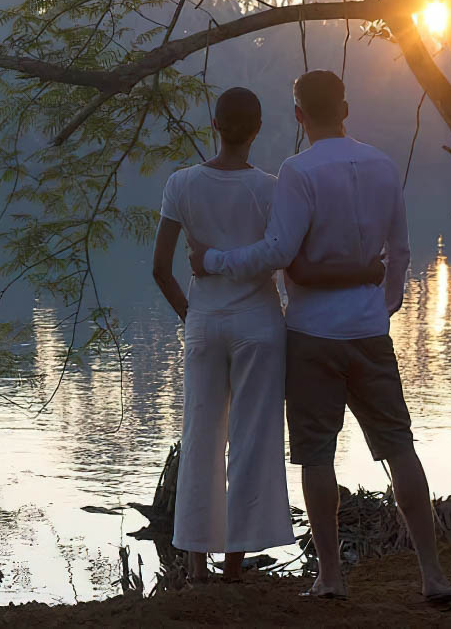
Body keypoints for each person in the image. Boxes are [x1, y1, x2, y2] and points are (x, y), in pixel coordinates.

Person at [190, 70, 451, 607]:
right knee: (399, 447)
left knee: (316, 455)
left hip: (312, 334)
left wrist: (213, 261)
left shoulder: (297, 170)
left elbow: (277, 252)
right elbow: (401, 253)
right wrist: (380, 302)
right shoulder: (383, 166)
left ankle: (331, 577)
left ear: (298, 115)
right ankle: (432, 575)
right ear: (345, 106)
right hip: (369, 333)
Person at [151, 87, 382, 584]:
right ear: (257, 130)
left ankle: (195, 565)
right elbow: (285, 257)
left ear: (214, 125)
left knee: (200, 437)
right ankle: (235, 563)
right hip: (258, 324)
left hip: (205, 324)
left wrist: (192, 315)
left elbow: (161, 270)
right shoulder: (273, 187)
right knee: (254, 440)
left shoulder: (181, 184)